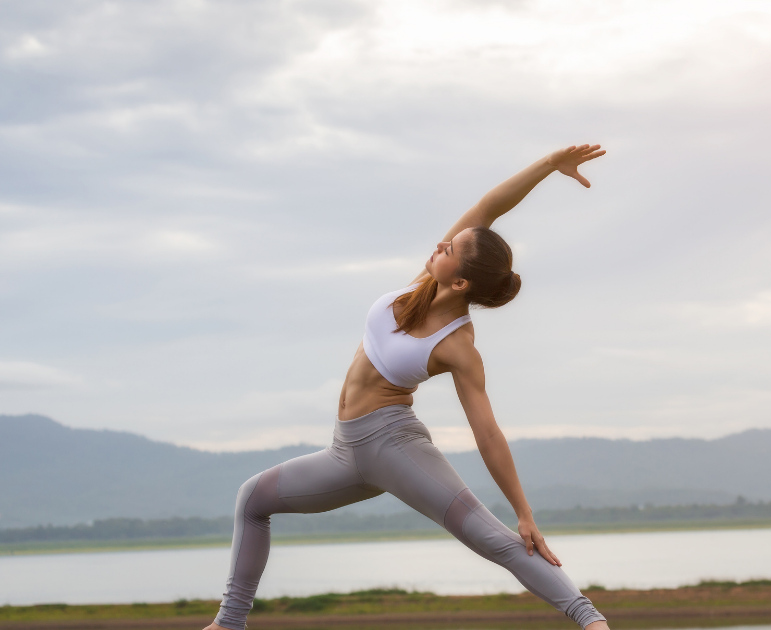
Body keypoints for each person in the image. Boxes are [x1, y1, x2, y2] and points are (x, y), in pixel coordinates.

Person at [204, 144, 610, 630]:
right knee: (252, 500)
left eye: (451, 250)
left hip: (394, 447)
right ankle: (229, 625)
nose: (441, 245)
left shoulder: (458, 346)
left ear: (461, 283)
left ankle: (590, 621)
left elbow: (487, 434)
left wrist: (524, 512)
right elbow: (487, 209)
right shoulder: (422, 285)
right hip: (344, 452)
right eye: (449, 241)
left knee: (492, 538)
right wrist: (546, 166)